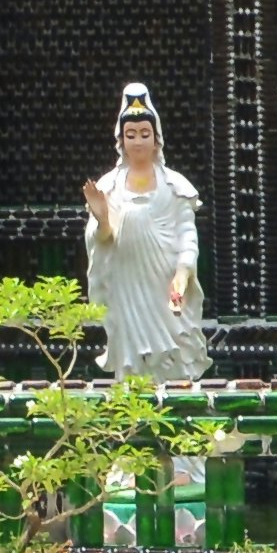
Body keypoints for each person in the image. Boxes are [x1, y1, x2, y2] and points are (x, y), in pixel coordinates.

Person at [87, 84, 204, 377]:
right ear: (121, 140)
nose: (138, 141)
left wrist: (182, 273)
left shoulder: (175, 186)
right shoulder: (108, 187)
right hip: (126, 285)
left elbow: (187, 235)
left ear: (156, 139)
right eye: (131, 135)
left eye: (144, 134)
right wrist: (102, 220)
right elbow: (102, 239)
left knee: (171, 355)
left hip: (163, 282)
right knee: (132, 361)